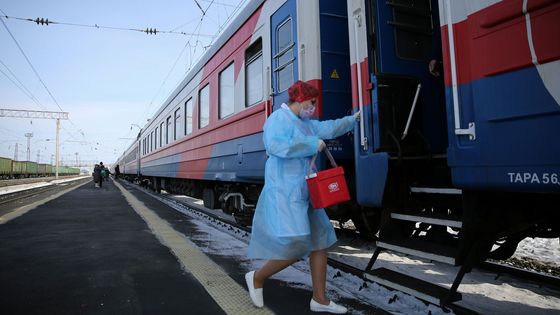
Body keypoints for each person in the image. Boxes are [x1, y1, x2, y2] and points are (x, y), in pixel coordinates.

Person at [245, 80, 359, 314]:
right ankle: (256, 277)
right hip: (285, 192)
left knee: (320, 242)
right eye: (312, 103)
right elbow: (275, 146)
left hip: (306, 191)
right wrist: (310, 145)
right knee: (297, 245)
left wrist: (352, 120)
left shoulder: (304, 122)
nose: (314, 108)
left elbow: (327, 128)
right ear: (299, 100)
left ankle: (319, 299)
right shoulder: (278, 119)